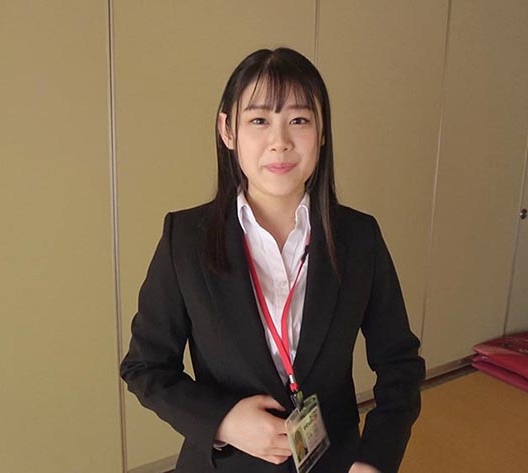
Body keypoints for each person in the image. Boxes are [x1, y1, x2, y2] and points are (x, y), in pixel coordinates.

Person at [121, 47, 425, 473]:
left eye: (298, 120)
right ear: (227, 130)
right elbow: (145, 367)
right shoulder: (185, 239)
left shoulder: (359, 238)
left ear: (322, 132)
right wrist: (224, 422)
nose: (280, 142)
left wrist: (374, 460)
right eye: (259, 120)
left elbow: (400, 365)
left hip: (334, 464)